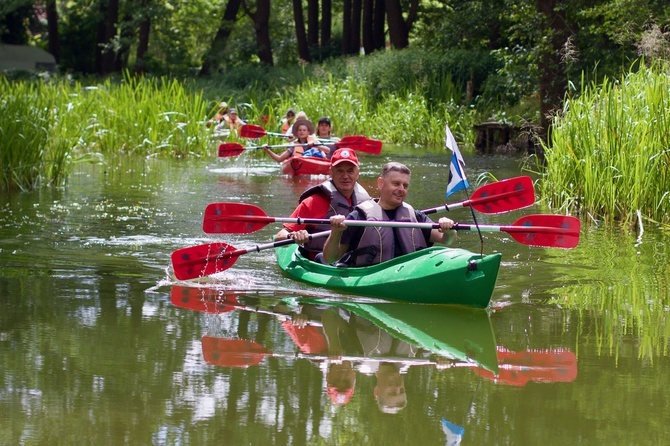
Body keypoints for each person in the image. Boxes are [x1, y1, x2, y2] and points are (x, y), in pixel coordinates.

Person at [322, 161, 456, 266]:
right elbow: (330, 258)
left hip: (409, 273)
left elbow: (446, 239)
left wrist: (448, 229)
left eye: (405, 185)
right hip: (371, 277)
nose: (401, 189)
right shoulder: (359, 217)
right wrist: (335, 232)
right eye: (396, 184)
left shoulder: (415, 216)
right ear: (381, 183)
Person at [274, 148, 371, 261]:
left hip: (353, 261)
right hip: (319, 262)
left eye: (350, 171)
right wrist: (293, 236)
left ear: (357, 173)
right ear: (331, 172)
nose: (345, 176)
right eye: (339, 171)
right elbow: (279, 237)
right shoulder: (312, 202)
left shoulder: (366, 203)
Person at [263, 119, 330, 162]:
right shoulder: (294, 145)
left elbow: (327, 150)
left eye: (304, 130)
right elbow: (279, 159)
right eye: (300, 130)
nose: (302, 132)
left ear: (308, 132)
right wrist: (267, 150)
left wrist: (316, 145)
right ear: (297, 132)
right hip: (299, 165)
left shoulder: (314, 141)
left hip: (314, 163)